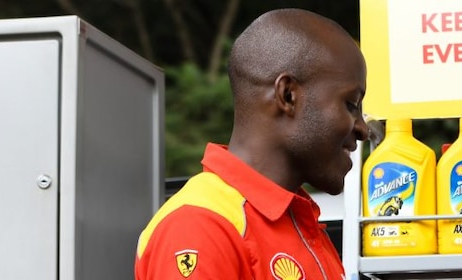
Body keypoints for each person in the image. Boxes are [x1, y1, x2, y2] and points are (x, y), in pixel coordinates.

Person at [135, 9, 367, 280]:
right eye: (351, 104)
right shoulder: (202, 225)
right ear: (288, 95)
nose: (362, 129)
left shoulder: (299, 222)